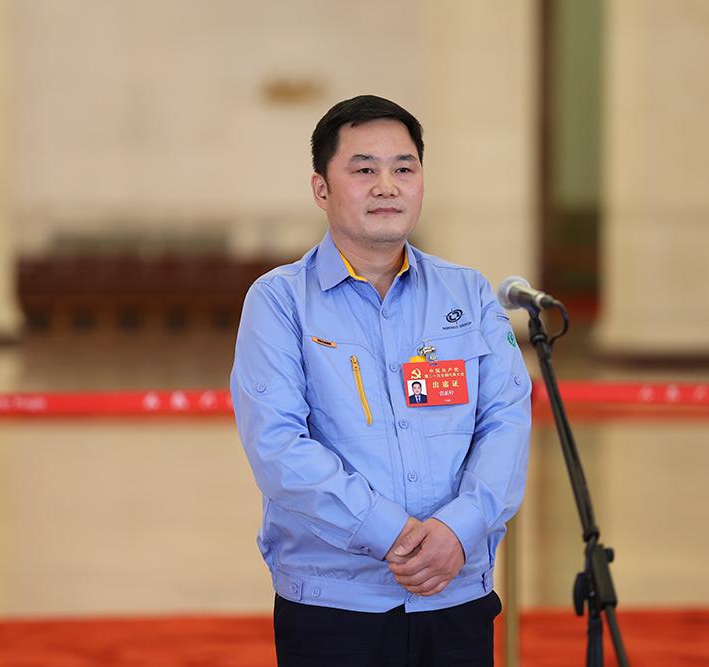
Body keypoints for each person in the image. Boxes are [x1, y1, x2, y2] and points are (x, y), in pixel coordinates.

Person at [230, 95, 531, 666]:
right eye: (364, 170)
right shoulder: (279, 301)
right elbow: (278, 446)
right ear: (321, 189)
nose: (387, 186)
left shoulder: (467, 293)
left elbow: (506, 421)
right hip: (335, 605)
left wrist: (458, 529)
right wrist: (396, 534)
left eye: (404, 168)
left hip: (456, 592)